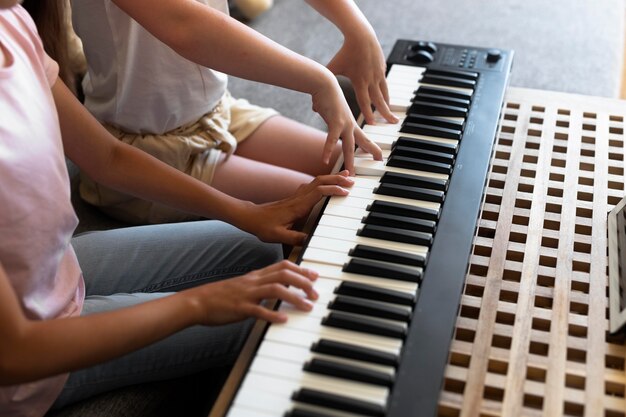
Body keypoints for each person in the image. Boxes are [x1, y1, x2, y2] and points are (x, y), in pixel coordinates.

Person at [0, 3, 355, 416]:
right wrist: (197, 304)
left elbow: (107, 156)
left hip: (57, 269)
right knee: (273, 319)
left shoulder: (12, 24)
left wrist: (244, 212)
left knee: (257, 249)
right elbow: (15, 353)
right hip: (29, 364)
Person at [71, 0, 397, 224]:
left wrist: (357, 29)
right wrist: (318, 81)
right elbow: (184, 25)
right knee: (336, 210)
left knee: (369, 173)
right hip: (141, 150)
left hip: (217, 113)